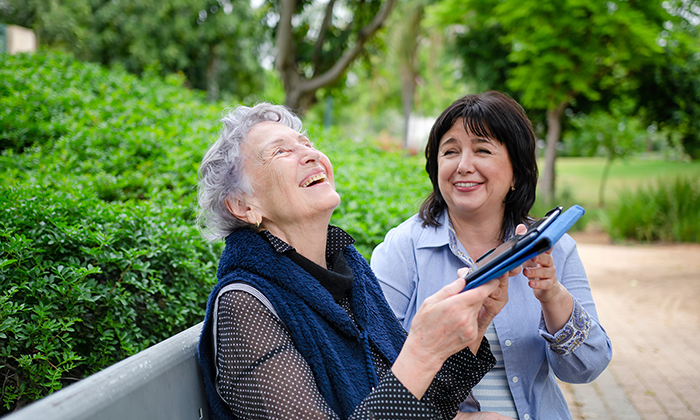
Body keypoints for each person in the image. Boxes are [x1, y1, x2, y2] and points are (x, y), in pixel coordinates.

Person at [196, 102, 522, 420]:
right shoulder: (243, 305)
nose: (311, 154)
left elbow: (423, 406)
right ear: (242, 205)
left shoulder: (349, 270)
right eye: (280, 151)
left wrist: (472, 328)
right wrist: (422, 353)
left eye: (307, 143)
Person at [371, 91, 613, 420]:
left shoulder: (555, 247)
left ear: (516, 171)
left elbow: (587, 368)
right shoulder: (403, 247)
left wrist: (551, 294)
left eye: (482, 150)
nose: (463, 166)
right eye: (450, 151)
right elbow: (375, 369)